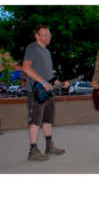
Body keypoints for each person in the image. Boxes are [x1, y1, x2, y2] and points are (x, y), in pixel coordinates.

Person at [22, 25, 69, 161]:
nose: (48, 37)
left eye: (49, 35)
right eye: (45, 35)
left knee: (48, 120)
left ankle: (49, 146)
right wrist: (42, 82)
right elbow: (26, 68)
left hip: (47, 92)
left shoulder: (47, 52)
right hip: (36, 92)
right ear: (37, 36)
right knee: (35, 121)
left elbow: (50, 77)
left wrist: (59, 83)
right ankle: (33, 150)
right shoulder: (32, 48)